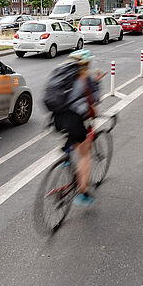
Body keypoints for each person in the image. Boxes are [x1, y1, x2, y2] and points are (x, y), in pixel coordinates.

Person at [55, 49, 102, 206]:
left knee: (72, 133)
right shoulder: (85, 78)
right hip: (75, 119)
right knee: (85, 155)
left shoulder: (62, 75)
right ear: (86, 64)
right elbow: (94, 100)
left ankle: (67, 156)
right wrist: (97, 83)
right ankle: (82, 193)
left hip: (58, 118)